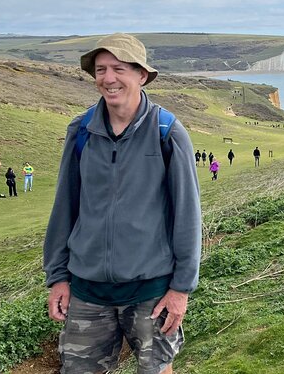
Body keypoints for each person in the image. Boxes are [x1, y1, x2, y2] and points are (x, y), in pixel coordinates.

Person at [43, 33, 201, 374]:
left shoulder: (167, 132)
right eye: (101, 70)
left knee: (157, 369)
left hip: (151, 291)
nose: (109, 78)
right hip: (87, 290)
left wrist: (180, 289)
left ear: (141, 75)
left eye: (119, 68)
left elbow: (188, 216)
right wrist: (57, 276)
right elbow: (65, 206)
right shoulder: (81, 130)